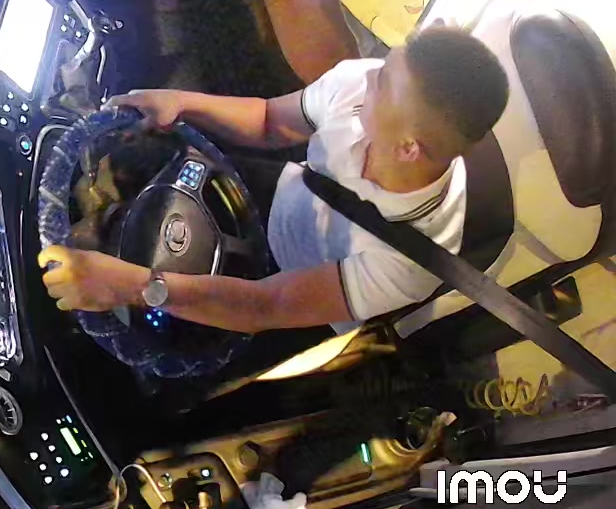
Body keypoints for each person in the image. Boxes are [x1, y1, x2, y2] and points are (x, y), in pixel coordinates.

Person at [38, 26, 510, 334]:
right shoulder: (360, 84)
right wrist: (182, 102)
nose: (369, 76)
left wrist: (131, 286)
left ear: (408, 148)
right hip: (289, 193)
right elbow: (270, 122)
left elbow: (267, 306)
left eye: (383, 84)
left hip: (294, 294)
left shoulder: (410, 261)